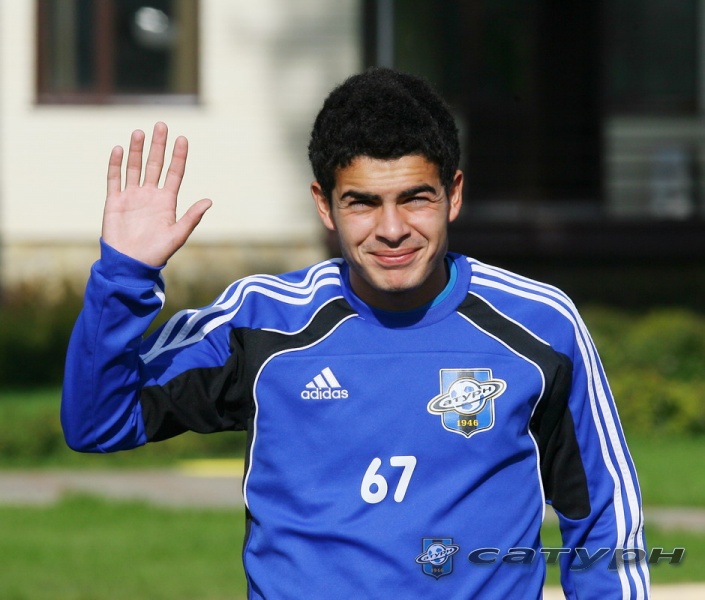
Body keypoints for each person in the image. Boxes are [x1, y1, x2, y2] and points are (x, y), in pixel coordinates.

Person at [62, 68, 650, 599]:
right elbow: (98, 422)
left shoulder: (540, 326)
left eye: (415, 198)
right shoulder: (261, 323)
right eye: (363, 203)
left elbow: (602, 515)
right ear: (325, 206)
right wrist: (124, 277)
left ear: (454, 194)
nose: (392, 229)